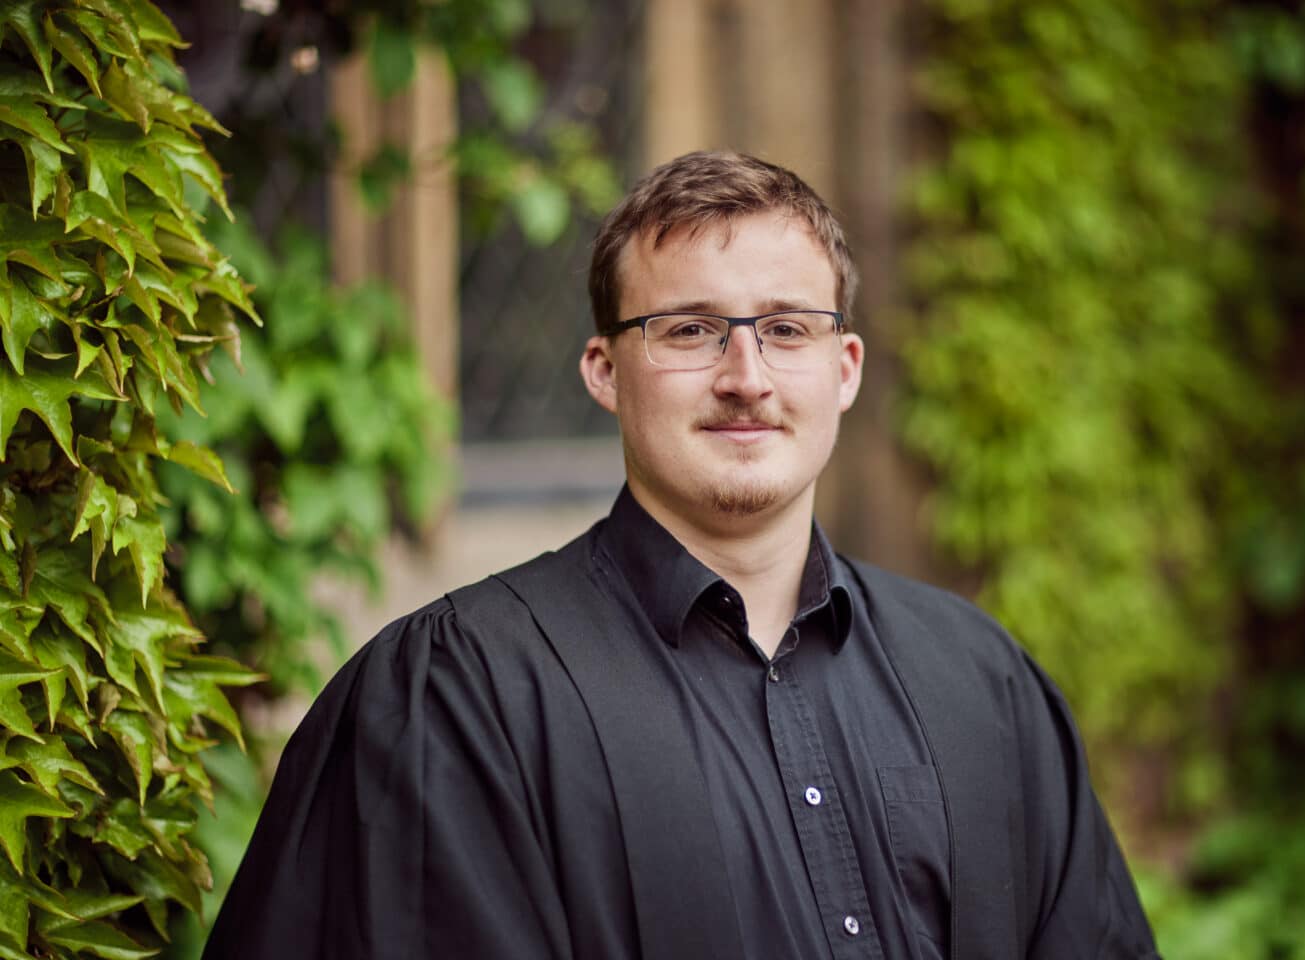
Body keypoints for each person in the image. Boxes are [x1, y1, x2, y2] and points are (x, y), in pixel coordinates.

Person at [204, 151, 1159, 960]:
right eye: (690, 331)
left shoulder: (982, 683)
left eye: (787, 329)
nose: (746, 377)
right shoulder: (459, 699)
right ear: (605, 372)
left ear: (845, 369)